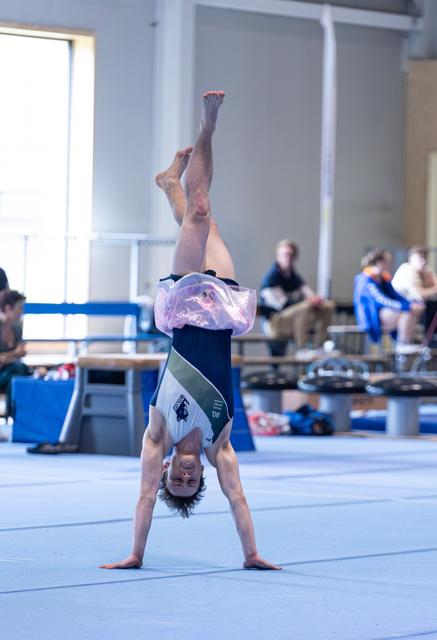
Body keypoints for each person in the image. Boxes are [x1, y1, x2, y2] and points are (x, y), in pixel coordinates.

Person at [100, 91, 280, 571]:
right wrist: (252, 554)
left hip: (183, 311)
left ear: (166, 473)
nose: (182, 477)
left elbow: (142, 499)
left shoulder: (156, 436)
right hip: (220, 313)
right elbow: (238, 498)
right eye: (189, 483)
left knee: (198, 215)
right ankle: (168, 184)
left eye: (174, 483)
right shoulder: (219, 446)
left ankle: (209, 125)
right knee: (202, 217)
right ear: (200, 477)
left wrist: (136, 553)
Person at [259, 239, 335, 356]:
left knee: (327, 306)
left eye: (291, 255)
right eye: (285, 255)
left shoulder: (294, 276)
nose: (288, 258)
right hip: (274, 323)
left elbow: (308, 292)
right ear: (278, 256)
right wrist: (309, 301)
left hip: (292, 319)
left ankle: (320, 346)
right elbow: (283, 305)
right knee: (306, 307)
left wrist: (316, 300)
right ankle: (302, 349)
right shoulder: (271, 279)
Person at [354, 249, 423, 352]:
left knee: (415, 309)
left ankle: (408, 341)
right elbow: (382, 301)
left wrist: (412, 303)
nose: (389, 266)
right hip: (371, 317)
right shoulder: (365, 280)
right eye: (387, 263)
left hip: (385, 313)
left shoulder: (383, 278)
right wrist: (406, 306)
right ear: (379, 262)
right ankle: (402, 346)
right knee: (407, 311)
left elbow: (396, 296)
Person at [392, 245, 437, 340]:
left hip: (417, 307)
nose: (423, 262)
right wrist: (433, 288)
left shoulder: (425, 270)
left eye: (424, 258)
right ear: (410, 258)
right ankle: (428, 343)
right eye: (419, 258)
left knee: (431, 305)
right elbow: (420, 294)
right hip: (400, 308)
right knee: (429, 306)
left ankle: (430, 341)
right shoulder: (407, 269)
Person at [0, 289, 31, 416]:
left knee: (21, 370)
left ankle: (21, 415)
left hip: (10, 371)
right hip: (6, 372)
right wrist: (14, 354)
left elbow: (18, 354)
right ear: (8, 309)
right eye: (19, 308)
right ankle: (16, 415)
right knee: (17, 372)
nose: (22, 312)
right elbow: (16, 354)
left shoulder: (17, 329)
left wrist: (10, 357)